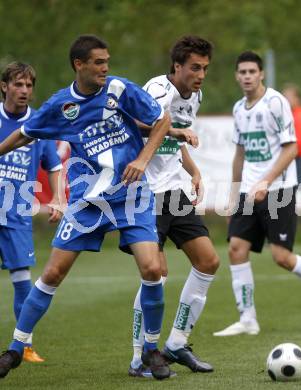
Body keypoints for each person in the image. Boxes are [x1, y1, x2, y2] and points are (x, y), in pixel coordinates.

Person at [0, 35, 172, 380]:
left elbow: (162, 120)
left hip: (130, 195)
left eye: (107, 61)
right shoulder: (61, 105)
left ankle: (151, 350)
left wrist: (142, 157)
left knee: (152, 269)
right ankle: (16, 350)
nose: (105, 68)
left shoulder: (120, 89)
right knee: (52, 274)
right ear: (79, 65)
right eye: (98, 62)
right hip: (88, 202)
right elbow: (24, 133)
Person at [129, 36, 219, 378]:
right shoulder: (156, 89)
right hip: (145, 193)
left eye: (205, 68)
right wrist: (175, 130)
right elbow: (136, 124)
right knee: (157, 275)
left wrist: (194, 171)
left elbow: (173, 142)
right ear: (177, 66)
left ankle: (177, 343)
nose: (201, 75)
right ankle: (139, 358)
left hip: (174, 192)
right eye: (195, 67)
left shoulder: (195, 95)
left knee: (208, 261)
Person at [213, 51, 301, 337]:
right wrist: (232, 196)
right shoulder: (239, 108)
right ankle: (247, 319)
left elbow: (291, 148)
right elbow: (239, 154)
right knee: (236, 249)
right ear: (236, 76)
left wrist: (265, 181)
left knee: (281, 256)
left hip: (278, 190)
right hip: (247, 192)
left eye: (252, 71)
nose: (247, 77)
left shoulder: (276, 102)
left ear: (261, 74)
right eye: (242, 72)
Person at [0, 62, 63, 362]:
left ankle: (24, 345)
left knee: (22, 277)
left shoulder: (38, 124)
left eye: (28, 86)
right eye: (18, 85)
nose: (24, 91)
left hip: (17, 211)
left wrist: (59, 199)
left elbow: (53, 165)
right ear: (4, 87)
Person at [282, 84, 301, 206]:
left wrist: (286, 158)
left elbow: (299, 141)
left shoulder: (297, 115)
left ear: (297, 99)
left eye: (288, 97)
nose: (285, 100)